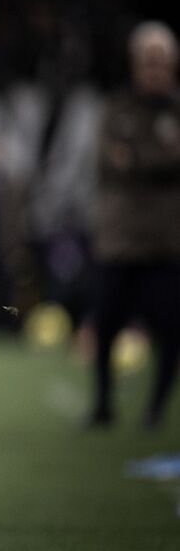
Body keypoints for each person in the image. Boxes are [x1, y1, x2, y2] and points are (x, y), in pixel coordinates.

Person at [88, 21, 180, 429]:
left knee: (170, 331)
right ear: (135, 63)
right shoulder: (117, 107)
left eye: (161, 62)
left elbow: (133, 161)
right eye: (148, 62)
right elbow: (109, 162)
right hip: (120, 241)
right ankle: (102, 406)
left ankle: (157, 410)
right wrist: (158, 159)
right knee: (105, 327)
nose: (154, 70)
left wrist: (137, 159)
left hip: (166, 243)